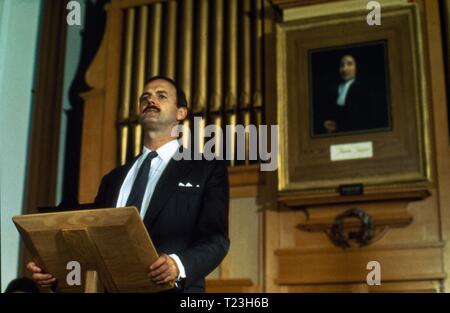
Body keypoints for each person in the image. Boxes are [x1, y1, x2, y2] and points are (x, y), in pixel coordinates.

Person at [26, 76, 230, 293]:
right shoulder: (113, 179)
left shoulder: (206, 168)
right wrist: (55, 271)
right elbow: (92, 246)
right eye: (145, 97)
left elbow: (216, 239)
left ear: (181, 113)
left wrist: (178, 265)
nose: (151, 100)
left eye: (161, 96)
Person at [314, 54, 389, 135]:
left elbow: (365, 118)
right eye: (342, 65)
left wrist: (339, 126)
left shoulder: (365, 88)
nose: (344, 69)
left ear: (357, 67)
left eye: (349, 64)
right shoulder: (334, 89)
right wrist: (326, 124)